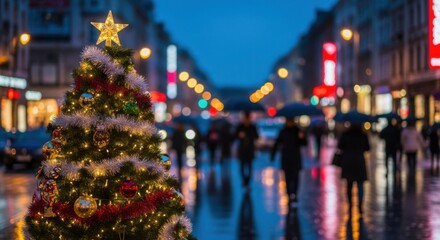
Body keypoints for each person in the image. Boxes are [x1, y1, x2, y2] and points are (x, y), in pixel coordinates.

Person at [270, 119, 307, 205]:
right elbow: (277, 143)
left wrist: (302, 137)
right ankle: (289, 194)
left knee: (295, 177)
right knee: (287, 177)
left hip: (295, 158)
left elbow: (304, 143)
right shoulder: (283, 131)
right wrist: (273, 154)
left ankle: (294, 194)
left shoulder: (297, 131)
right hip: (286, 158)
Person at [337, 123, 370, 216]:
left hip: (348, 161)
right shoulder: (363, 135)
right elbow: (367, 148)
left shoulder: (345, 134)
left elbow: (340, 146)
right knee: (360, 185)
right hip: (359, 161)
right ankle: (360, 206)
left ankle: (350, 205)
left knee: (349, 184)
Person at [235, 112, 259, 189]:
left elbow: (256, 136)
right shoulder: (240, 127)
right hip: (242, 150)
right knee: (242, 167)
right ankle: (244, 180)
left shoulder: (252, 127)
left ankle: (247, 181)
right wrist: (239, 135)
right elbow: (235, 136)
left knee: (249, 167)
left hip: (250, 150)